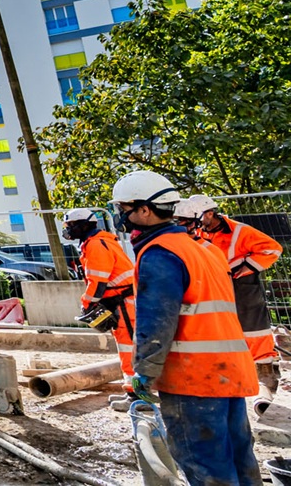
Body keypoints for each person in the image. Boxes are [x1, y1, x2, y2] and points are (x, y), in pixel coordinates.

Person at [113, 170, 259, 486]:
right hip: (229, 372)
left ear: (144, 210)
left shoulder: (160, 254)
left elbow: (157, 322)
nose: (120, 217)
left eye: (124, 209)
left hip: (193, 379)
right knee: (240, 461)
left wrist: (145, 375)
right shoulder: (204, 249)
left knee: (207, 469)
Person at [189, 194, 283, 398]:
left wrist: (247, 266)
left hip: (242, 284)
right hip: (216, 283)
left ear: (210, 213)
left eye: (198, 217)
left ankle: (265, 371)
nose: (195, 223)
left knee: (254, 327)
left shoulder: (240, 231)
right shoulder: (199, 231)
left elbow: (273, 249)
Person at [62, 207, 136, 387]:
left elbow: (97, 282)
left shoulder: (96, 244)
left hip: (123, 302)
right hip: (123, 299)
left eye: (71, 225)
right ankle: (135, 389)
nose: (68, 229)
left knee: (128, 346)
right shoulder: (100, 241)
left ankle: (135, 392)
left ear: (84, 225)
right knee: (130, 344)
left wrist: (86, 304)